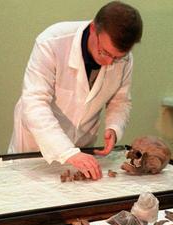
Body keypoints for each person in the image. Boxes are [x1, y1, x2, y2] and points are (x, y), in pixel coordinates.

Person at [8, 1, 143, 180]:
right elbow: (34, 102)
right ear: (94, 28)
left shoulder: (124, 59)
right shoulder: (52, 42)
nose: (110, 62)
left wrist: (114, 126)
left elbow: (120, 100)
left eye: (117, 57)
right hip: (36, 148)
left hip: (82, 147)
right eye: (104, 52)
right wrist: (66, 151)